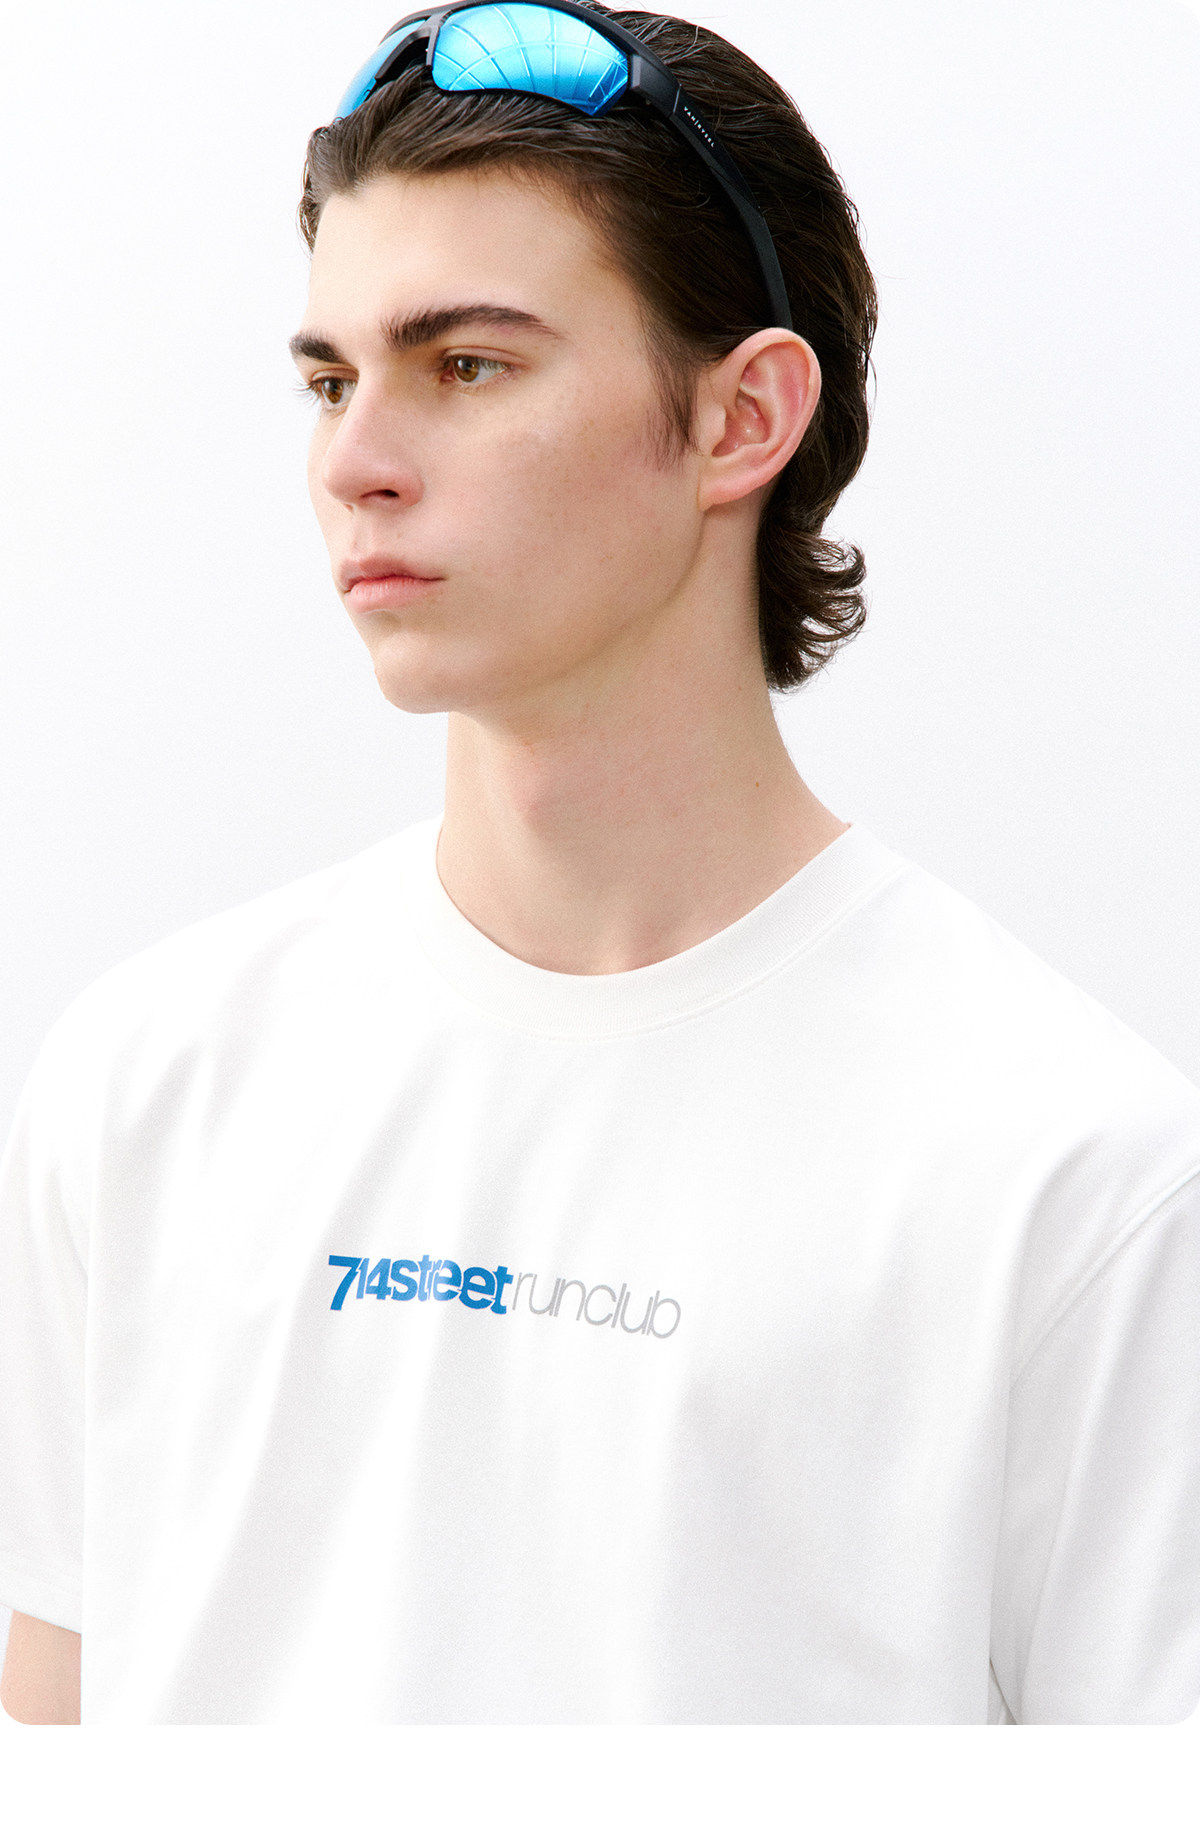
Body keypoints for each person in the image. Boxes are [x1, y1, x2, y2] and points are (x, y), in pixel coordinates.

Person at [1, 1, 1198, 1726]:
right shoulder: (146, 1086)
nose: (354, 463)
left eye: (467, 366)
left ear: (739, 418)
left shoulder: (1075, 1180)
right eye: (331, 380)